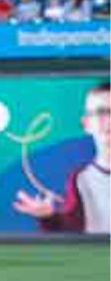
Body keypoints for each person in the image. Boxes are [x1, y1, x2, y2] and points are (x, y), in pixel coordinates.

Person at [13, 82, 110, 234]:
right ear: (86, 124)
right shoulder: (81, 178)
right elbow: (70, 228)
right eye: (101, 112)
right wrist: (48, 217)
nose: (109, 120)